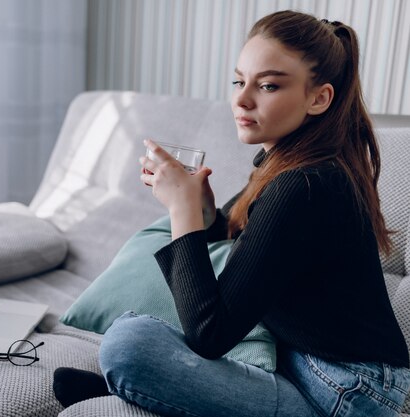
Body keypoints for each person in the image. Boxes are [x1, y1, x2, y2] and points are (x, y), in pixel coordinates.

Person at [52, 10, 410, 417]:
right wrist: (204, 211)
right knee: (137, 340)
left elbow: (210, 332)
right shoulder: (286, 164)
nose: (242, 99)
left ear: (319, 98)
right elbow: (248, 244)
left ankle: (147, 387)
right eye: (239, 81)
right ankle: (153, 389)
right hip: (299, 357)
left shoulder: (306, 185)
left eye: (269, 85)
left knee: (129, 343)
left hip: (348, 388)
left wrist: (182, 210)